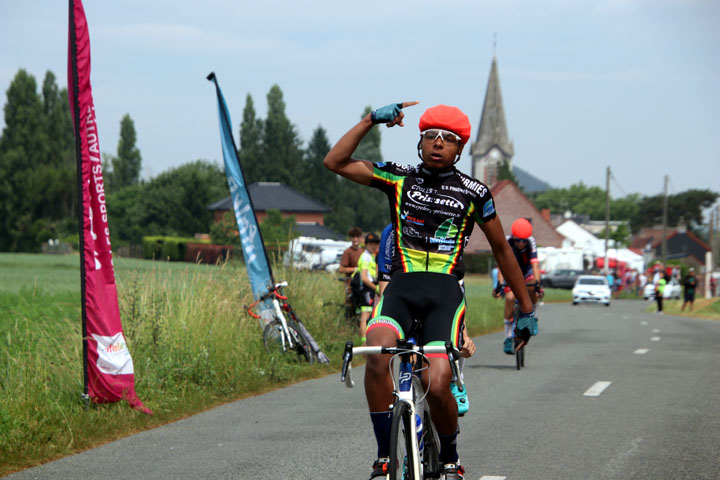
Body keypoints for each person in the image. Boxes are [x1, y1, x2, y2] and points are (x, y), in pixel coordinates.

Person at [324, 101, 534, 480]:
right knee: (376, 352)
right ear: (419, 143)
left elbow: (502, 249)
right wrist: (371, 120)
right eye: (430, 136)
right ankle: (384, 457)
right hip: (400, 289)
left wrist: (527, 307)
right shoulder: (399, 177)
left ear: (460, 149)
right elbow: (334, 162)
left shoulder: (475, 191)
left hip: (445, 294)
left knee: (437, 382)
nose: (438, 143)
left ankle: (451, 457)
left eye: (448, 139)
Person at [378, 222, 475, 416]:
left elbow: (456, 287)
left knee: (453, 338)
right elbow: (384, 284)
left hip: (443, 290)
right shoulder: (391, 232)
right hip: (403, 293)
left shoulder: (446, 223)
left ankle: (457, 377)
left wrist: (463, 331)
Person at [492, 218, 543, 355]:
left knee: (533, 288)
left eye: (523, 241)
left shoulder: (531, 242)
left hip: (526, 272)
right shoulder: (507, 241)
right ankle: (508, 337)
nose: (521, 243)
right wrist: (499, 285)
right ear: (513, 237)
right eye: (518, 240)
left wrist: (538, 284)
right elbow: (501, 267)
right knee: (509, 298)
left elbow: (535, 265)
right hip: (511, 272)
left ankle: (534, 315)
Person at [356, 232, 381, 342]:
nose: (374, 246)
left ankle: (368, 340)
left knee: (370, 314)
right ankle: (363, 341)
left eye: (375, 243)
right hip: (367, 288)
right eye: (371, 243)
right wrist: (376, 289)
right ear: (366, 244)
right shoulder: (365, 256)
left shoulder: (372, 256)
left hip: (371, 288)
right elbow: (364, 278)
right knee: (365, 316)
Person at [339, 227, 365, 307]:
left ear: (360, 238)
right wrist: (355, 269)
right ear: (350, 238)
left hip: (363, 282)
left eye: (357, 237)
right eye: (353, 237)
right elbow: (342, 269)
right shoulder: (347, 252)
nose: (355, 239)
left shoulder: (364, 251)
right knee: (351, 304)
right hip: (351, 284)